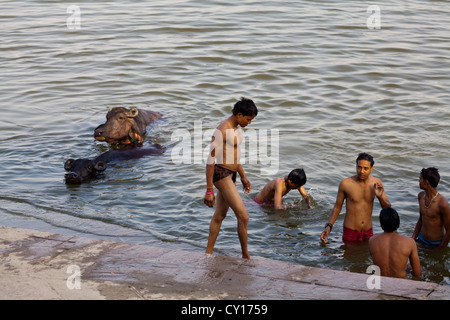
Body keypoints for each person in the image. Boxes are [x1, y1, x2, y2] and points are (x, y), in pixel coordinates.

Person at [204, 97, 258, 259]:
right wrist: (209, 190)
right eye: (248, 119)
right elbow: (210, 160)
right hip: (221, 175)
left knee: (220, 215)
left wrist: (243, 176)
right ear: (239, 115)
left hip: (232, 174)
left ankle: (208, 253)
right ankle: (245, 256)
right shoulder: (222, 130)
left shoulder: (237, 129)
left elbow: (234, 156)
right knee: (243, 216)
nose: (249, 123)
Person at [320, 153, 391, 244]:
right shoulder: (346, 184)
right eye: (359, 167)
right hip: (350, 231)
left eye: (366, 168)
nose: (362, 171)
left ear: (371, 169)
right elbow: (337, 207)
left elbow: (387, 208)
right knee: (349, 256)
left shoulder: (376, 183)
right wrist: (329, 226)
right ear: (356, 166)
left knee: (366, 256)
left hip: (368, 231)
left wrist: (380, 197)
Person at [369, 207, 421, 278]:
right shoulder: (410, 242)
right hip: (400, 282)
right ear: (398, 223)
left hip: (380, 281)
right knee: (408, 266)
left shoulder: (372, 241)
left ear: (381, 225)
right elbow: (417, 273)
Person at [412, 167, 450, 248]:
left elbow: (449, 230)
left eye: (420, 179)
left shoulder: (442, 203)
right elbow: (421, 219)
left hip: (436, 244)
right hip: (421, 239)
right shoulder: (421, 196)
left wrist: (440, 248)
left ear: (426, 182)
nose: (419, 181)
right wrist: (412, 239)